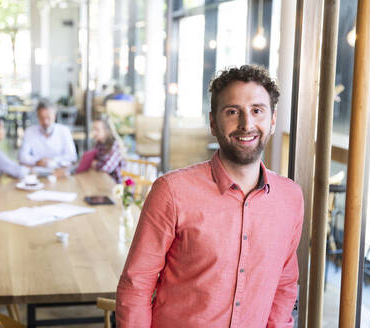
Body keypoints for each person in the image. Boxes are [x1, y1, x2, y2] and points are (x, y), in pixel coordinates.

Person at [116, 65, 304, 327]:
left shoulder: (291, 198)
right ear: (213, 123)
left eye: (257, 111)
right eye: (232, 111)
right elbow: (136, 286)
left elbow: (284, 284)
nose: (246, 124)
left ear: (272, 121)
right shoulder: (172, 192)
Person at [19, 101, 77, 167]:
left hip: (59, 170)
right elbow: (22, 157)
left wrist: (52, 160)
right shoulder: (29, 131)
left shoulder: (64, 131)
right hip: (36, 171)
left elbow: (72, 156)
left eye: (48, 118)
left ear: (54, 116)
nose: (45, 122)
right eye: (42, 118)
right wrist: (37, 161)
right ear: (37, 117)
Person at [90, 115, 125, 183]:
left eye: (97, 129)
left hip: (115, 185)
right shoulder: (99, 144)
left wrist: (95, 164)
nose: (94, 132)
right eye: (93, 129)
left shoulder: (115, 145)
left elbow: (105, 168)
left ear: (106, 130)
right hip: (101, 180)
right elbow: (92, 162)